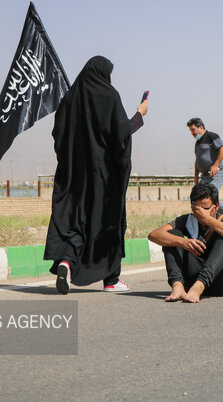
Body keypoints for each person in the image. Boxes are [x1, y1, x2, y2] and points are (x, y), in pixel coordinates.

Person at [44, 56, 148, 295]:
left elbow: (58, 136)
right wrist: (139, 114)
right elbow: (121, 135)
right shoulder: (109, 96)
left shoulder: (69, 99)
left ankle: (66, 263)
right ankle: (111, 279)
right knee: (107, 222)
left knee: (76, 222)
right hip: (103, 178)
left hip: (74, 179)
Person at [148, 183, 223, 303]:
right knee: (171, 235)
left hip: (222, 282)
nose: (199, 214)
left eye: (204, 209)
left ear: (216, 206)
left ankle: (199, 286)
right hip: (191, 280)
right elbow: (153, 235)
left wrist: (209, 220)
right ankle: (177, 286)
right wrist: (183, 242)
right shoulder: (188, 221)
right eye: (196, 209)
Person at [188, 117, 223, 216]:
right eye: (190, 130)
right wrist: (196, 177)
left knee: (209, 198)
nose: (192, 133)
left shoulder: (211, 136)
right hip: (204, 176)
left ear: (201, 127)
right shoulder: (198, 143)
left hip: (215, 175)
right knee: (197, 198)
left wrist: (215, 165)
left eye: (193, 129)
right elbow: (198, 160)